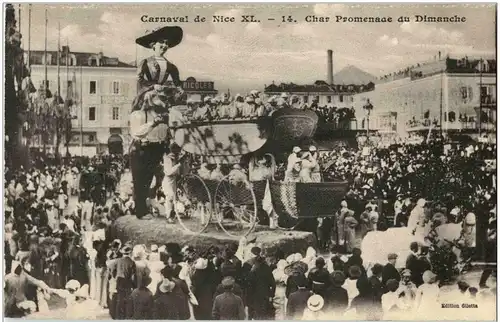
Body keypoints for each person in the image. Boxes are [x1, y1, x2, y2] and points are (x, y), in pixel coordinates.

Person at [130, 25, 184, 220]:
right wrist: (153, 87)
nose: (164, 46)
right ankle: (140, 210)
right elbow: (139, 81)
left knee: (171, 113)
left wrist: (178, 90)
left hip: (163, 97)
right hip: (149, 94)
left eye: (166, 44)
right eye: (161, 43)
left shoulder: (170, 66)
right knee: (142, 176)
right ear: (153, 45)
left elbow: (178, 84)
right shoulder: (146, 62)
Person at [162, 143, 185, 224]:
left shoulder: (175, 158)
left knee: (174, 198)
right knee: (170, 197)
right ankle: (168, 216)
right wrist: (178, 165)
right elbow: (168, 172)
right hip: (168, 181)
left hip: (173, 180)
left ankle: (172, 215)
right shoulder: (167, 158)